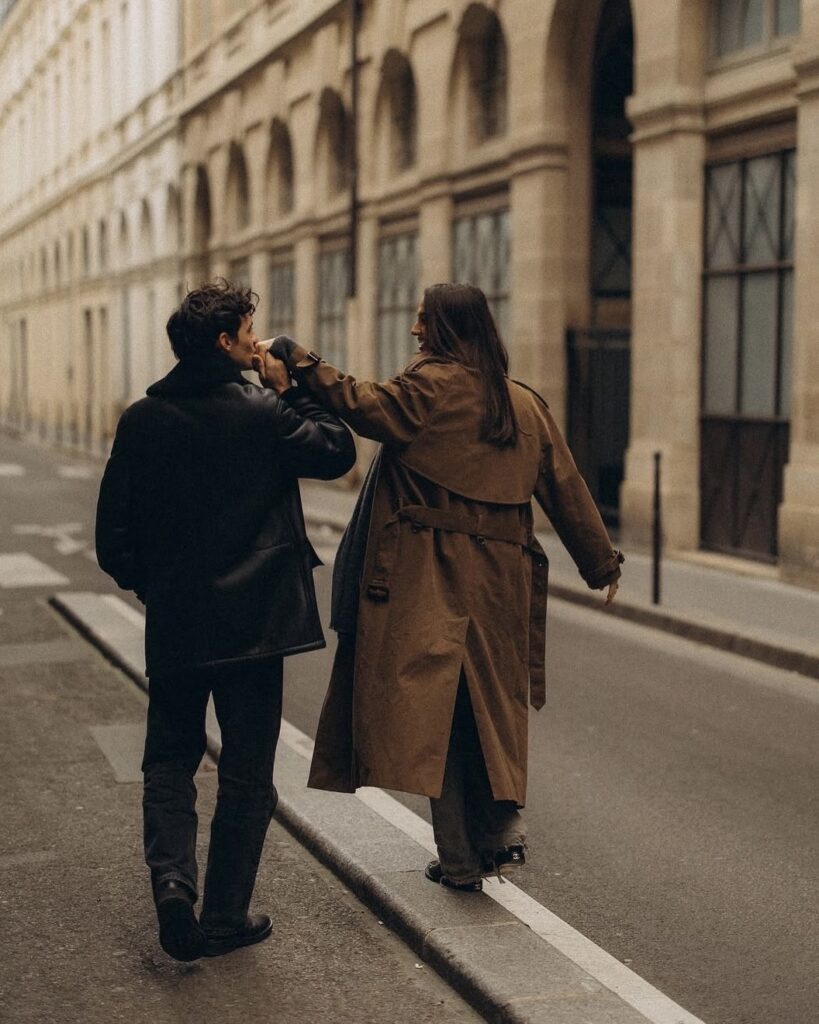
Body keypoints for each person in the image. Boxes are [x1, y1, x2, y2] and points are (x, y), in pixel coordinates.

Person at [259, 282, 622, 893]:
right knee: (491, 709)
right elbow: (565, 482)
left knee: (439, 719)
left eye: (423, 321)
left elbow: (362, 403)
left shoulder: (427, 391)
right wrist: (600, 563)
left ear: (448, 328)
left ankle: (463, 853)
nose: (414, 331)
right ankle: (495, 830)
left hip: (426, 573)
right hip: (501, 582)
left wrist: (299, 359)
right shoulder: (522, 404)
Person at [95, 280, 355, 960]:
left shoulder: (141, 419)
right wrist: (291, 385)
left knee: (169, 762)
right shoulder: (263, 412)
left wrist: (157, 588)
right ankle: (224, 917)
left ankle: (174, 886)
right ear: (223, 342)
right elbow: (337, 450)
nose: (254, 341)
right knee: (245, 773)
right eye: (247, 332)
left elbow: (112, 540)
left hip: (179, 624)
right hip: (255, 626)